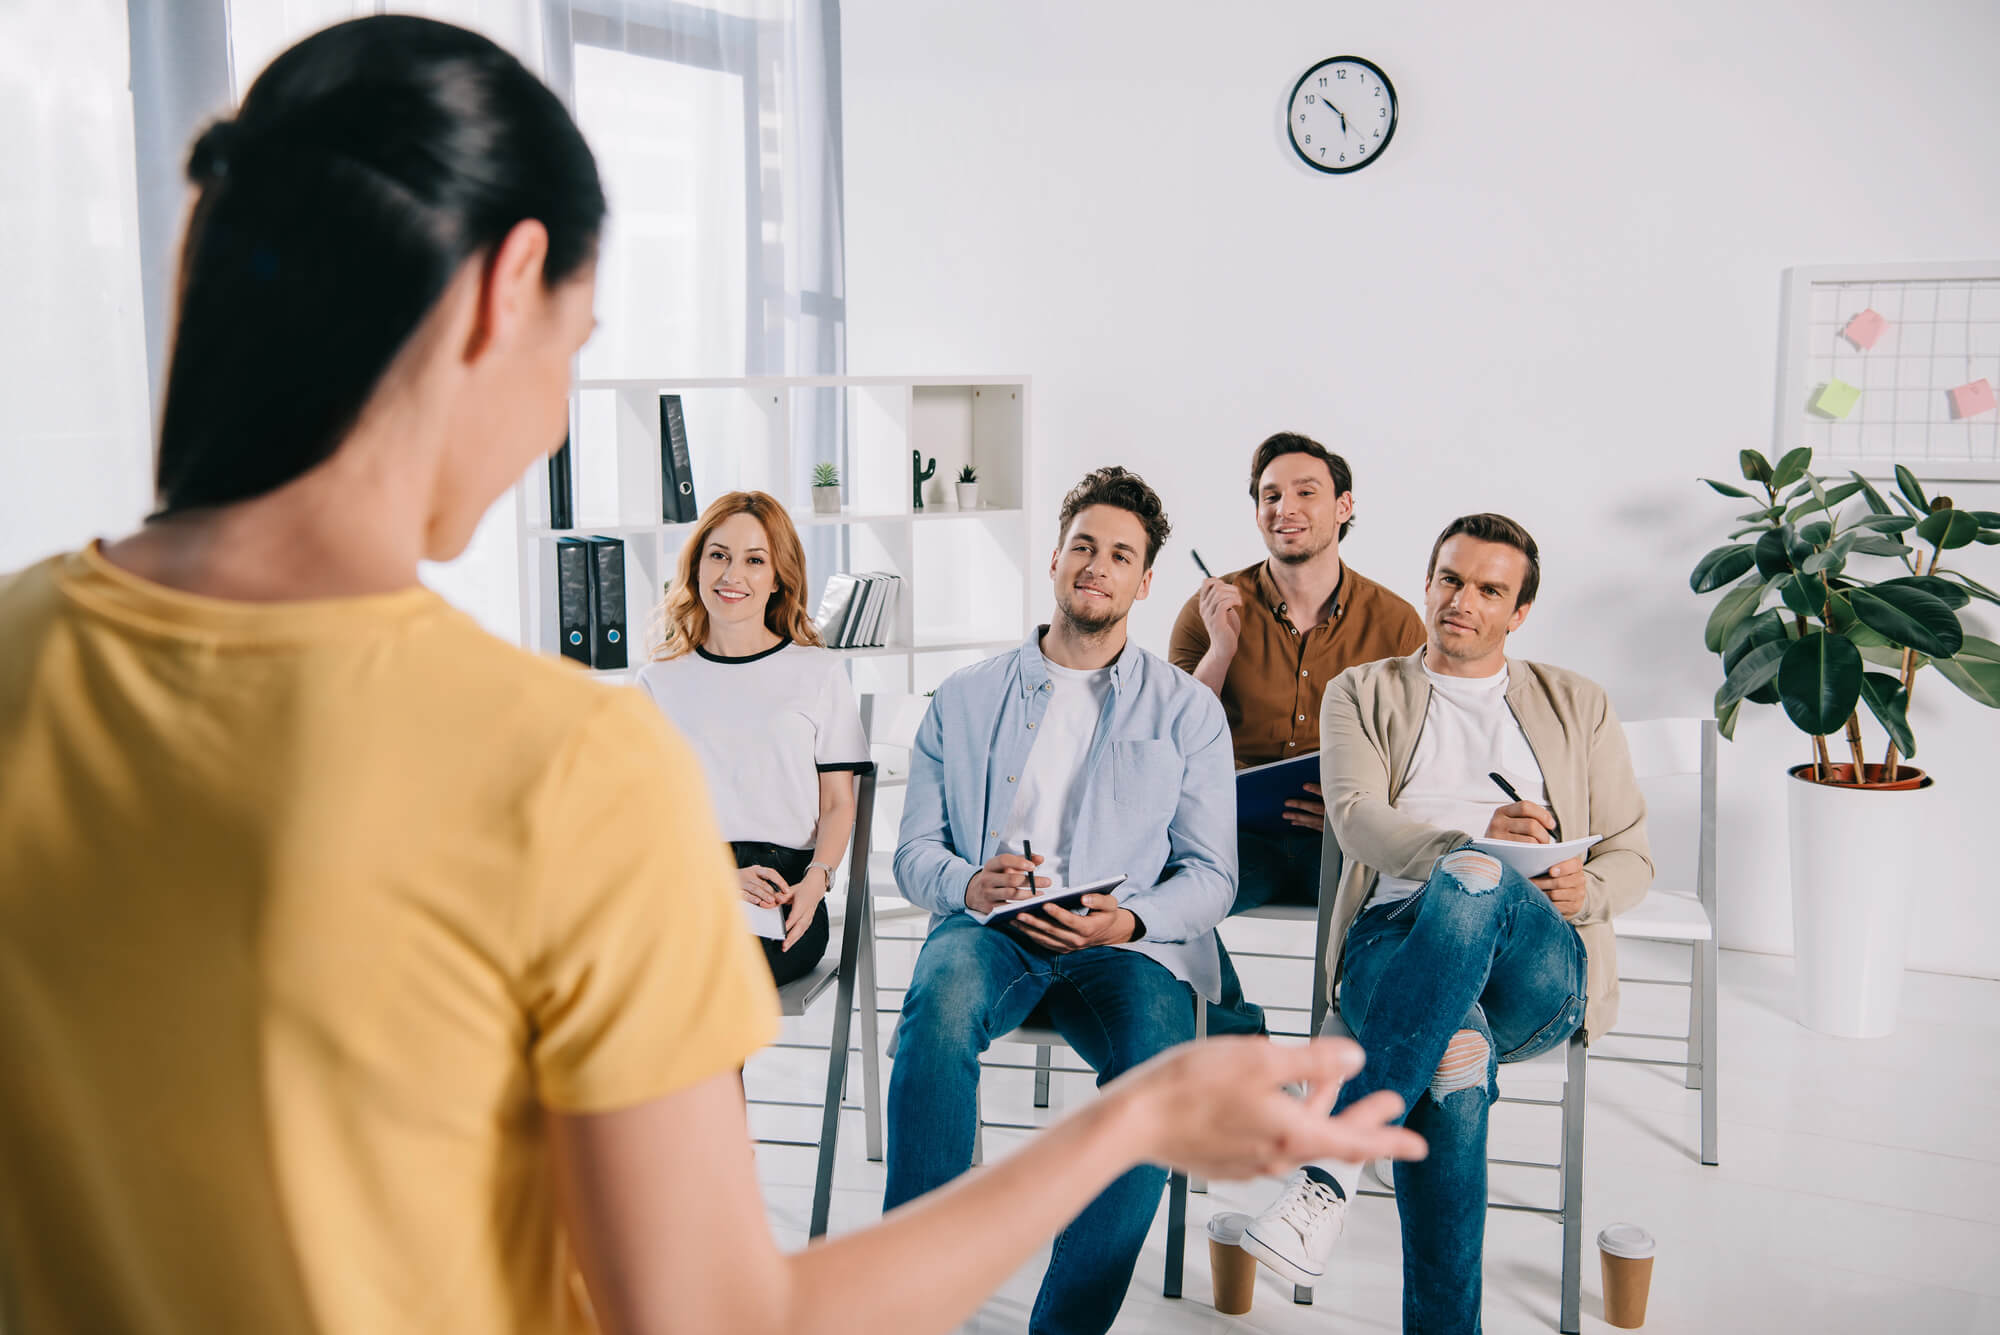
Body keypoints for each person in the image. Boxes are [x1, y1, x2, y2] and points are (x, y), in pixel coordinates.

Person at [0, 18, 1427, 1335]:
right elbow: (726, 1318)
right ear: (504, 289)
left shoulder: (23, 658)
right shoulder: (567, 765)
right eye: (576, 351)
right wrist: (1133, 1123)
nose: (551, 417)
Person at [1237, 513, 1654, 1332]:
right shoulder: (1361, 691)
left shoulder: (1578, 702)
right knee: (1455, 1064)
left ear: (1519, 612)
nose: (1463, 600)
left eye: (1490, 590)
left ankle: (1331, 1170)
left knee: (1480, 877)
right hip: (1392, 942)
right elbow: (1355, 818)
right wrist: (1474, 840)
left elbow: (1633, 857)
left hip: (1535, 963)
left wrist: (1583, 890)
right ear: (1427, 583)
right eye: (1451, 580)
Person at [886, 466, 1240, 1335]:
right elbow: (914, 853)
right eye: (1084, 545)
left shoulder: (1188, 711)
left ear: (1144, 583)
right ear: (1054, 558)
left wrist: (1132, 918)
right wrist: (969, 883)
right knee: (936, 1010)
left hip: (1121, 944)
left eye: (1120, 554)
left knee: (1158, 1069)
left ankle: (1066, 1325)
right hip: (989, 928)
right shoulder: (964, 697)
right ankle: (911, 1299)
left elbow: (1212, 875)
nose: (1097, 565)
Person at [1168, 432, 1425, 1035]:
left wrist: (1358, 807)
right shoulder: (1209, 611)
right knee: (1159, 907)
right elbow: (1170, 742)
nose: (1285, 508)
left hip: (1347, 845)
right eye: (1271, 495)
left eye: (1306, 492)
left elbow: (1422, 752)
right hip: (1232, 839)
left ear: (1343, 506)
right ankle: (1245, 1049)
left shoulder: (1395, 623)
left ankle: (1349, 1056)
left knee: (1415, 910)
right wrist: (1221, 650)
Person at [636, 491, 869, 986]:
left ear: (778, 577)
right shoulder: (659, 681)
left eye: (754, 560)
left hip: (782, 890)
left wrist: (817, 881)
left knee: (697, 975)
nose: (731, 575)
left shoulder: (818, 673)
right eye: (719, 555)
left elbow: (837, 803)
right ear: (697, 565)